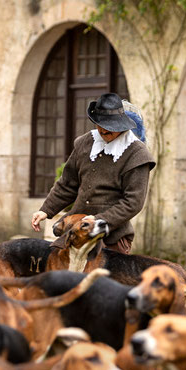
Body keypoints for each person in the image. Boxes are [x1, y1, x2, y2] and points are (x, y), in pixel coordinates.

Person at [31, 93, 155, 254]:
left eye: (109, 126)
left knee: (101, 279)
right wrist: (46, 210)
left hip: (112, 237)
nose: (102, 130)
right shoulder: (85, 143)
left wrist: (98, 221)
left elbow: (133, 202)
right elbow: (67, 184)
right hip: (74, 231)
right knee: (60, 274)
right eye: (99, 124)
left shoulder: (137, 154)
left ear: (121, 125)